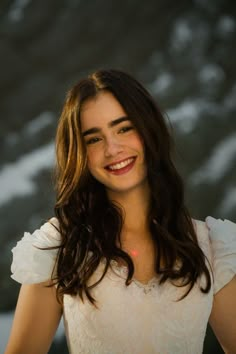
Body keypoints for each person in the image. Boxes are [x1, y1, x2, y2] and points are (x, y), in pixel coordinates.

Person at [4, 69, 236, 354]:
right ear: (80, 153)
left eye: (124, 128)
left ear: (148, 129)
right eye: (94, 139)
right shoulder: (59, 246)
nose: (112, 149)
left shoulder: (211, 246)